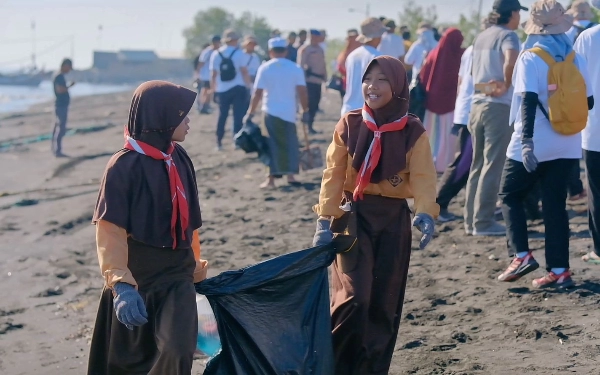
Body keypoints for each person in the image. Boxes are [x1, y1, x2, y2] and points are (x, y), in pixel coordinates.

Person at [312, 56, 438, 374]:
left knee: (384, 303)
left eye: (382, 80)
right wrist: (324, 220)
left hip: (394, 221)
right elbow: (333, 174)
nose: (373, 86)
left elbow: (424, 177)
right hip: (351, 216)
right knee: (354, 298)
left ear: (397, 87)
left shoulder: (413, 131)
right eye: (368, 79)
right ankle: (335, 366)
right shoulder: (350, 124)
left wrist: (425, 213)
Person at [87, 81, 208, 375]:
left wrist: (196, 272)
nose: (188, 121)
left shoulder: (179, 158)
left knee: (178, 349)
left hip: (177, 274)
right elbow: (109, 230)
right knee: (130, 362)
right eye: (182, 114)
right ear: (161, 117)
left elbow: (188, 224)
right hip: (137, 274)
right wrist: (122, 285)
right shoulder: (122, 166)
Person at [497, 0, 593, 289]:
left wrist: (526, 142)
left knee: (510, 195)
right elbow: (589, 101)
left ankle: (522, 255)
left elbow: (526, 100)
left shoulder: (531, 56)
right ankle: (560, 271)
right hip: (569, 141)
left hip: (536, 140)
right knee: (555, 205)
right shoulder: (574, 56)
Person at [464, 0, 525, 236]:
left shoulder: (482, 36)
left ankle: (472, 221)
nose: (519, 17)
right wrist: (506, 85)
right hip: (497, 108)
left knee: (477, 165)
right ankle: (483, 222)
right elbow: (511, 60)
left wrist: (492, 88)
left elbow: (473, 76)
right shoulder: (508, 36)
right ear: (512, 14)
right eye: (519, 12)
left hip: (477, 104)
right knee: (492, 165)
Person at [436, 17, 493, 222]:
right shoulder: (480, 50)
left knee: (475, 161)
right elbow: (477, 85)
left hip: (468, 109)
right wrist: (502, 90)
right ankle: (438, 204)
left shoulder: (472, 49)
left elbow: (462, 83)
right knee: (464, 162)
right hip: (473, 111)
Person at [244, 37, 309, 189]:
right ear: (286, 51)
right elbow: (302, 92)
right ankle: (291, 176)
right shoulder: (295, 68)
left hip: (270, 112)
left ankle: (271, 179)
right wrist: (306, 110)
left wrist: (250, 112)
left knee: (270, 145)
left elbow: (257, 93)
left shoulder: (265, 68)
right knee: (290, 144)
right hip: (289, 112)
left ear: (270, 51)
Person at [575, 0, 600, 265]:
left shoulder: (587, 38)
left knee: (597, 191)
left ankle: (599, 249)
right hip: (593, 127)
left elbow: (576, 81)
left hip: (594, 127)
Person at [419, 28, 464, 173]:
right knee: (446, 135)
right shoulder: (459, 55)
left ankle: (424, 162)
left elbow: (423, 75)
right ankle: (443, 164)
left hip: (431, 100)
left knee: (430, 133)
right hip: (450, 101)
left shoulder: (433, 53)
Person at [210, 29, 252, 151]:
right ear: (235, 40)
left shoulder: (216, 54)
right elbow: (244, 72)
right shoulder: (240, 54)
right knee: (237, 115)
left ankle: (219, 142)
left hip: (222, 89)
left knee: (222, 116)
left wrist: (214, 90)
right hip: (238, 88)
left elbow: (213, 74)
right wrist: (249, 86)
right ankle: (236, 141)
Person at [340, 17, 385, 115]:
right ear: (377, 36)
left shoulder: (352, 55)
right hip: (367, 112)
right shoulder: (377, 56)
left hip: (348, 109)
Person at [297, 29, 327, 134]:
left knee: (315, 104)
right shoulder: (305, 49)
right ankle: (307, 126)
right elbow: (300, 66)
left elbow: (323, 64)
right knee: (308, 104)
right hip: (308, 81)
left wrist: (325, 77)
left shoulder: (320, 49)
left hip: (318, 81)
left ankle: (311, 124)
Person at [52, 58, 74, 157]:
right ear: (65, 65)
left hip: (61, 105)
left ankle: (56, 149)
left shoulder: (59, 76)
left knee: (58, 127)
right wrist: (70, 86)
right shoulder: (59, 77)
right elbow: (60, 90)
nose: (69, 70)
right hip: (61, 105)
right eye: (69, 67)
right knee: (61, 128)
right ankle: (57, 150)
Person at [196, 35, 221, 114]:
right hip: (206, 75)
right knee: (205, 91)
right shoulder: (207, 51)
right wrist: (198, 75)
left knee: (210, 91)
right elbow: (201, 63)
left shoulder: (219, 51)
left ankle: (206, 105)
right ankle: (202, 106)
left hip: (213, 76)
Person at [336, 29, 361, 100]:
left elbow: (340, 67)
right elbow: (340, 67)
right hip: (348, 84)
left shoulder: (360, 52)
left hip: (354, 85)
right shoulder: (345, 53)